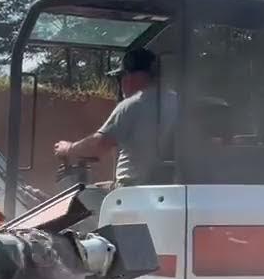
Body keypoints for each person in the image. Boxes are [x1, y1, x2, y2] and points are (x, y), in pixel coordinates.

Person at [54, 47, 178, 187]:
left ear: (131, 76)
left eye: (121, 77)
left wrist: (69, 149)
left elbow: (98, 145)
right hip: (170, 188)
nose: (121, 84)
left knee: (80, 196)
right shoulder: (178, 101)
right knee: (97, 187)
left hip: (134, 192)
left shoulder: (133, 105)